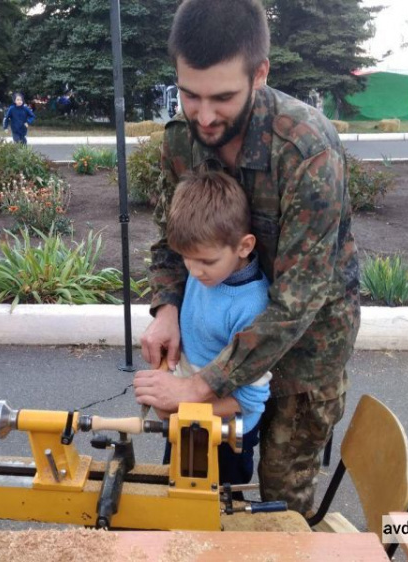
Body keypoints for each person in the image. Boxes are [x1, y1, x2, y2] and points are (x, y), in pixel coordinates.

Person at [133, 0, 360, 516]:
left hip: (306, 354)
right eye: (189, 95)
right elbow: (173, 242)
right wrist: (167, 309)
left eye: (223, 97)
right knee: (206, 476)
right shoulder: (181, 144)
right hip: (219, 344)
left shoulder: (307, 151)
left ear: (260, 74)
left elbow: (299, 302)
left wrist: (198, 384)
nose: (204, 115)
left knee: (281, 496)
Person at [161, 169, 272, 488]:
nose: (195, 272)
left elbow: (250, 400)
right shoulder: (208, 272)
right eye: (186, 259)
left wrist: (177, 406)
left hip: (225, 434)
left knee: (219, 513)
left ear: (244, 246)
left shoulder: (251, 307)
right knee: (178, 495)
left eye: (205, 262)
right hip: (189, 415)